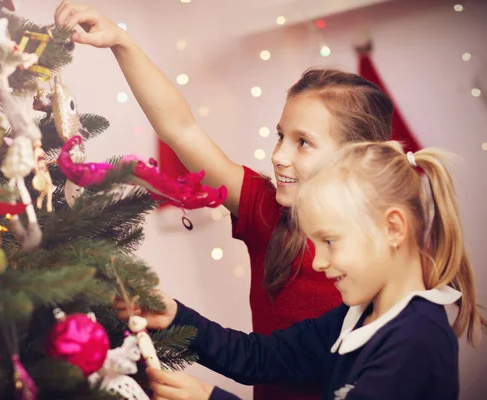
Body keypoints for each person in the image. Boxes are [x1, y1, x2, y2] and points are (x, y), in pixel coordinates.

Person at [54, 3, 393, 398]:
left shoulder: (386, 270)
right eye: (280, 136)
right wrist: (122, 43)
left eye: (303, 142)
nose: (279, 155)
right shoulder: (272, 211)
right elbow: (182, 130)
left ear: (357, 157)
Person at [118, 142, 487, 400]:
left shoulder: (416, 339)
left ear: (393, 228)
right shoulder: (354, 317)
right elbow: (260, 357)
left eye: (330, 242)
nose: (318, 261)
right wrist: (176, 317)